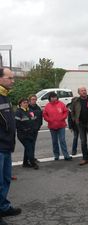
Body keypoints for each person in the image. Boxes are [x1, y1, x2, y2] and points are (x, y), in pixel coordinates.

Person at [0, 68, 21, 224]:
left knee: (6, 179)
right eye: (10, 78)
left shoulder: (5, 96)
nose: (13, 80)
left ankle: (4, 207)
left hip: (7, 146)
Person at [43, 92, 72, 161]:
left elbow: (66, 111)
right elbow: (44, 115)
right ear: (50, 98)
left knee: (62, 140)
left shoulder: (61, 104)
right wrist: (49, 120)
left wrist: (62, 118)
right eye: (52, 97)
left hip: (61, 125)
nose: (53, 98)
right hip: (52, 126)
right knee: (54, 141)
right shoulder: (47, 105)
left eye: (55, 97)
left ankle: (66, 155)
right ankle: (56, 155)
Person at [15, 98, 39, 169]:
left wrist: (35, 128)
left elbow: (35, 120)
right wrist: (25, 129)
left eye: (26, 102)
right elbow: (17, 124)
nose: (26, 104)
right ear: (20, 104)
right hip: (23, 135)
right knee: (30, 148)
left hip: (31, 133)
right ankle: (33, 163)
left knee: (28, 148)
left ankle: (25, 163)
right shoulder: (18, 112)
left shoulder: (30, 111)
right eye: (24, 103)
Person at [28, 94, 43, 162]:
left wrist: (39, 126)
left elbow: (40, 118)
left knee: (33, 144)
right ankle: (29, 158)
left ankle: (32, 157)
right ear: (29, 100)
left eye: (35, 99)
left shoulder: (38, 108)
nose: (34, 101)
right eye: (32, 99)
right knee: (28, 145)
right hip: (28, 130)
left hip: (35, 129)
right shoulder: (27, 108)